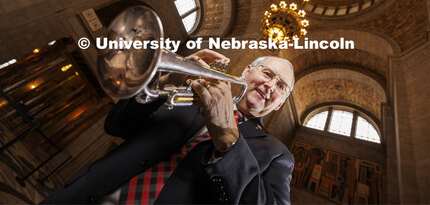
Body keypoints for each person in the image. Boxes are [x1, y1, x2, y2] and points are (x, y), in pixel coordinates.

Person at [41, 49, 295, 204]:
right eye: (268, 74)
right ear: (247, 71)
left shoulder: (278, 154)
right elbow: (116, 124)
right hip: (85, 195)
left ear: (279, 104)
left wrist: (229, 139)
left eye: (281, 87)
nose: (270, 86)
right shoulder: (188, 93)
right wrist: (168, 79)